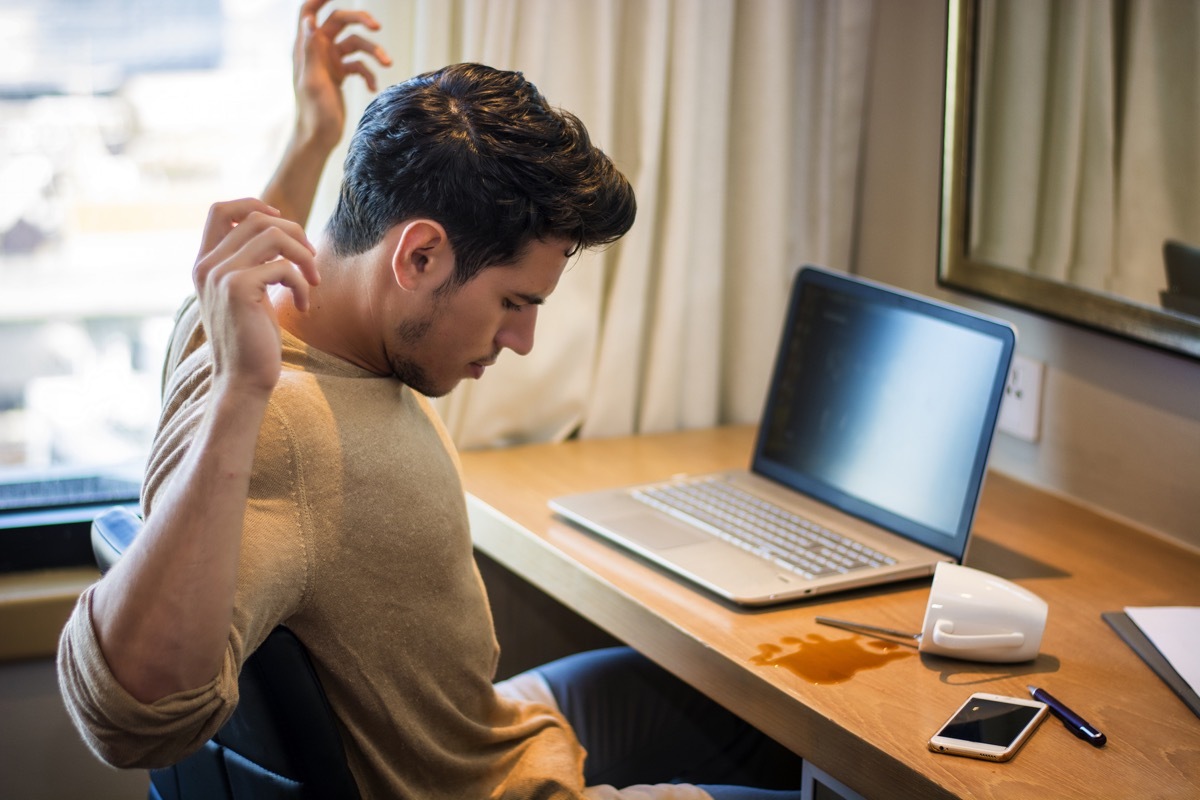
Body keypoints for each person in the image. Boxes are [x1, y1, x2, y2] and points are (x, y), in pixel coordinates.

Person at [57, 2, 805, 797]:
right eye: (515, 301)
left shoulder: (222, 319)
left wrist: (314, 135)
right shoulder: (276, 421)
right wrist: (246, 394)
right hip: (490, 789)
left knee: (748, 708)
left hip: (484, 731)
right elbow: (122, 721)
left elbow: (277, 263)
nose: (520, 342)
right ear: (418, 255)